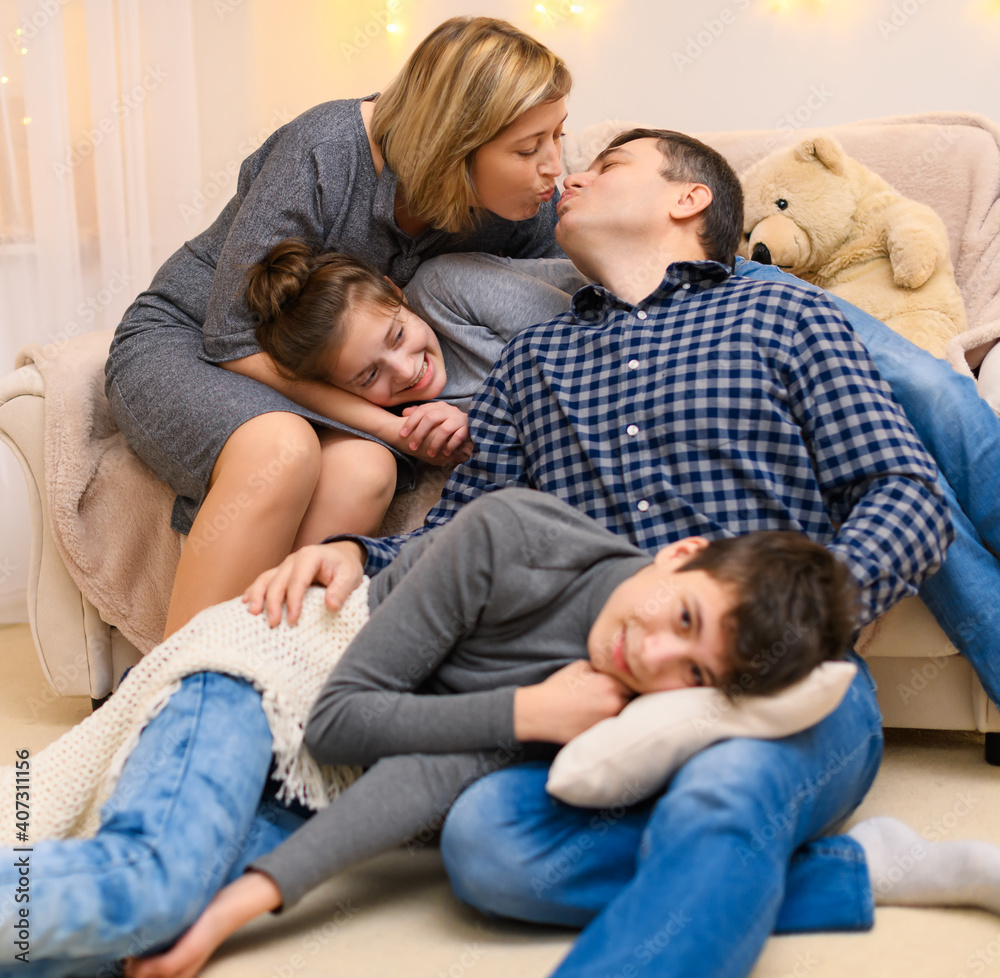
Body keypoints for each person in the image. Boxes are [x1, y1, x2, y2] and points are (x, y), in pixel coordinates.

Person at [213, 128, 975, 978]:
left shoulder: (785, 313)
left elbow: (902, 489)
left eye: (608, 166)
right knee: (484, 846)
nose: (572, 177)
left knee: (716, 803)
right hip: (606, 697)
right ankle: (859, 871)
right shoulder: (533, 360)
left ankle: (720, 871)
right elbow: (462, 529)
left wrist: (810, 607)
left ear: (687, 200)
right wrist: (353, 553)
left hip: (770, 678)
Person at [119, 489, 857, 977]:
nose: (655, 656)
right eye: (684, 620)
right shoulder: (519, 536)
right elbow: (354, 724)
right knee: (483, 840)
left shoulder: (619, 686)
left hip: (806, 645)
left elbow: (437, 767)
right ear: (681, 552)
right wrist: (528, 711)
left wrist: (237, 905)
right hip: (276, 670)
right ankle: (829, 876)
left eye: (693, 673)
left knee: (725, 787)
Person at [104, 16, 571, 638]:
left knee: (366, 471)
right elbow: (232, 338)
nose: (554, 167)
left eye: (557, 137)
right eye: (527, 148)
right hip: (191, 340)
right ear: (456, 143)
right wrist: (393, 427)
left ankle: (274, 674)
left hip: (327, 379)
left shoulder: (517, 207)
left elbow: (565, 309)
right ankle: (174, 697)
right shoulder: (326, 149)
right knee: (281, 450)